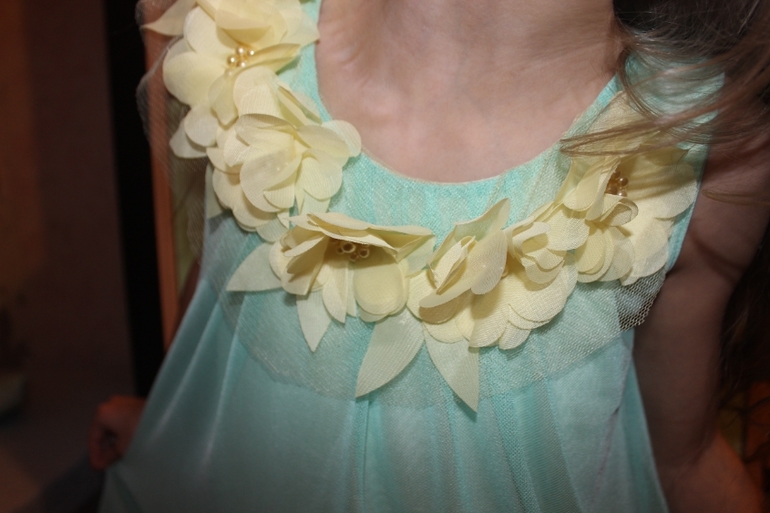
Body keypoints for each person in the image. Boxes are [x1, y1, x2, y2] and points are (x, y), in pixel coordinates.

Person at [90, 0, 770, 511]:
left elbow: (680, 459)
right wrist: (170, 420)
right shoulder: (236, 34)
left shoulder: (706, 149)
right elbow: (224, 293)